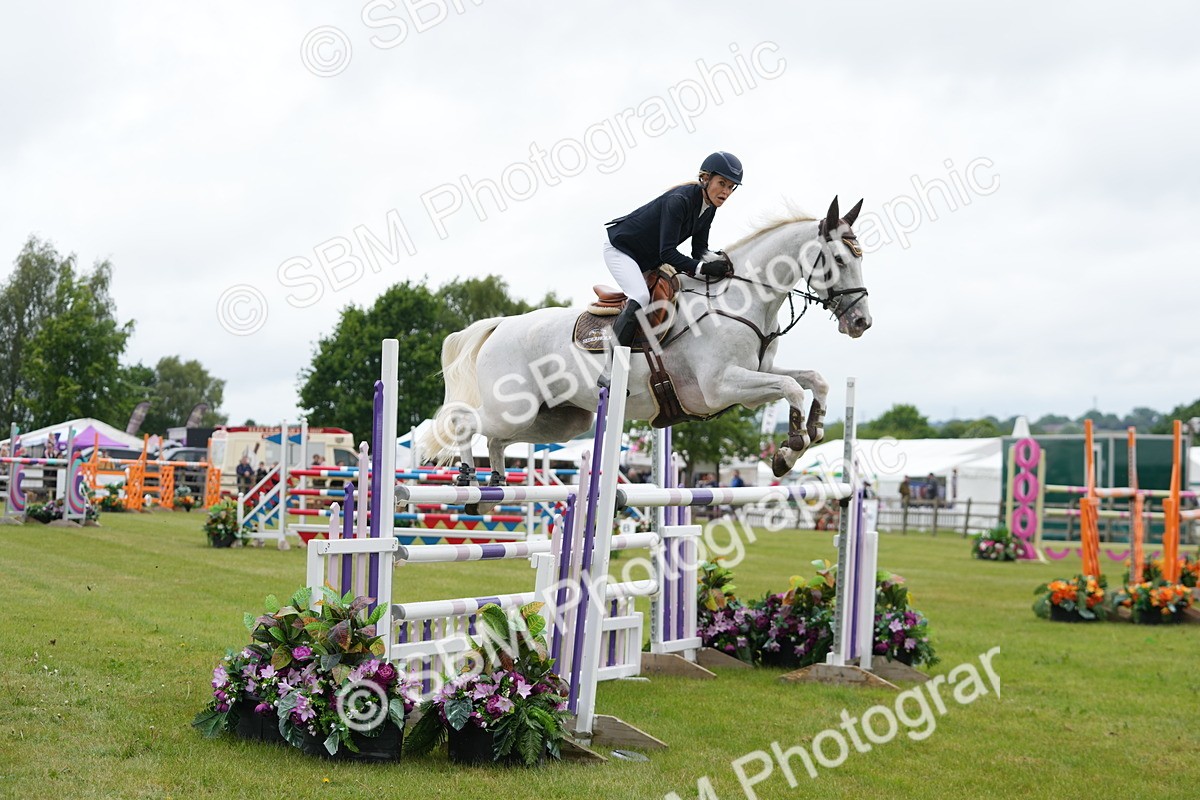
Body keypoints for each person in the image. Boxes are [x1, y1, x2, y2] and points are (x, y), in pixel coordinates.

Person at [598, 152, 744, 386]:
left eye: (731, 187)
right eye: (722, 183)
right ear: (705, 178)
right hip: (622, 250)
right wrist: (704, 267)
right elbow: (667, 253)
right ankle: (611, 371)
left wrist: (723, 263)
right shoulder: (680, 200)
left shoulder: (709, 207)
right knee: (640, 296)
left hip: (648, 259)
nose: (726, 192)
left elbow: (699, 251)